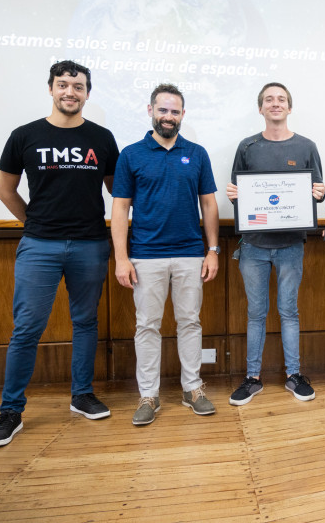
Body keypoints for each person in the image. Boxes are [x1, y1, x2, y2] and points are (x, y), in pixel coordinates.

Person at [0, 60, 120, 448]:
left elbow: (117, 192)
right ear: (51, 89)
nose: (70, 92)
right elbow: (5, 190)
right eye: (63, 85)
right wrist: (34, 223)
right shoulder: (24, 135)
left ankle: (81, 395)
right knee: (26, 329)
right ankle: (11, 411)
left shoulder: (103, 138)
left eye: (78, 87)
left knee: (85, 323)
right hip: (39, 246)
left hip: (91, 244)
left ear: (88, 94)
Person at [111, 83, 220, 425]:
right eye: (163, 110)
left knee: (190, 322)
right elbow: (119, 209)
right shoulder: (131, 154)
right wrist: (121, 258)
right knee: (147, 326)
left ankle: (193, 389)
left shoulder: (197, 153)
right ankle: (149, 396)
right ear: (150, 111)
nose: (168, 116)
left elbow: (209, 204)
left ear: (182, 115)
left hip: (190, 254)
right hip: (145, 256)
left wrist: (213, 249)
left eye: (175, 111)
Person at [227, 83, 325, 405]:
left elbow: (318, 190)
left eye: (281, 99)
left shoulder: (306, 147)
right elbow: (238, 194)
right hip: (254, 245)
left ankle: (293, 376)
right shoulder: (247, 147)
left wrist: (319, 194)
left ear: (289, 107)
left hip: (290, 245)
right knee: (256, 313)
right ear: (260, 108)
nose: (275, 104)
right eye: (269, 100)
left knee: (289, 311)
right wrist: (236, 196)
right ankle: (252, 378)